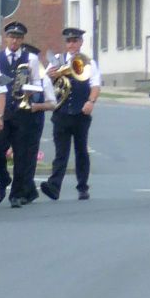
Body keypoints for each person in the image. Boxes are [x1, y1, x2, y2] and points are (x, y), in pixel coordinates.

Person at [0, 20, 53, 209]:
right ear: (6, 38)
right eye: (11, 37)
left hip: (22, 112)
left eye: (18, 38)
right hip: (4, 111)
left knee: (21, 155)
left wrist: (29, 92)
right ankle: (4, 179)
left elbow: (37, 82)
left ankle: (16, 194)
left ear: (22, 40)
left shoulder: (31, 58)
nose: (14, 41)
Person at [43, 27, 101, 201]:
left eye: (75, 41)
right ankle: (54, 187)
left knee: (81, 150)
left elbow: (95, 85)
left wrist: (90, 102)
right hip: (61, 113)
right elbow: (46, 84)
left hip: (81, 113)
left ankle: (83, 187)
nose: (72, 44)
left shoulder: (88, 62)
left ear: (81, 42)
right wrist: (50, 76)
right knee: (61, 152)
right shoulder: (57, 60)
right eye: (69, 41)